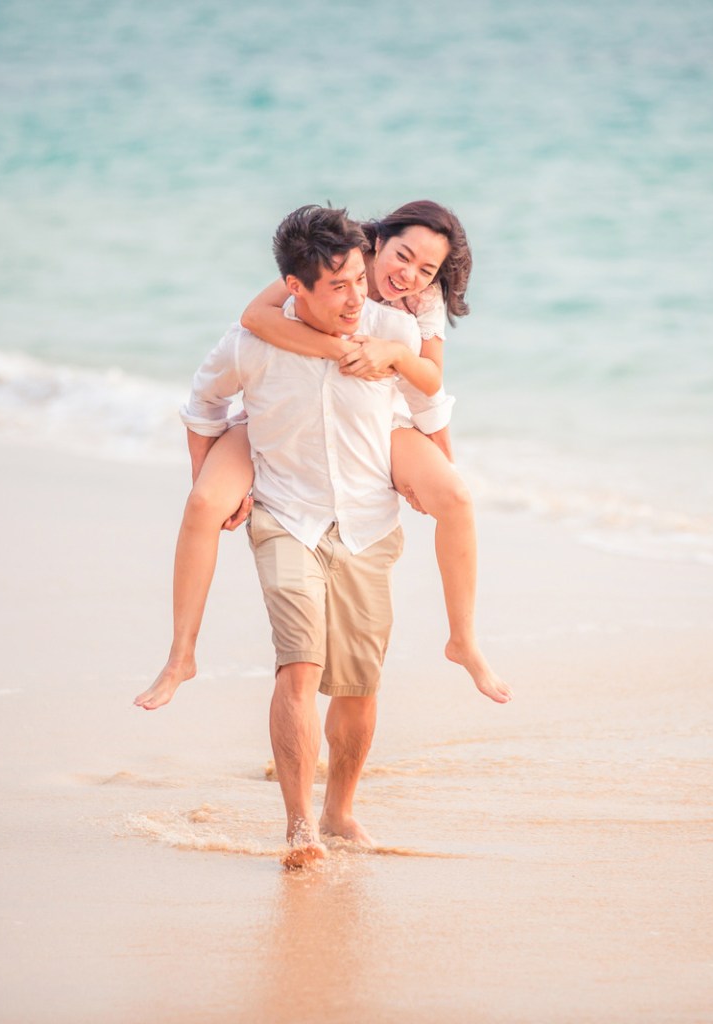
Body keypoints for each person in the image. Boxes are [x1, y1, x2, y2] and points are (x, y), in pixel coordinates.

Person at [134, 201, 509, 712]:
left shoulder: (419, 305)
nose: (410, 275)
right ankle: (181, 657)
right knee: (203, 504)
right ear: (377, 241)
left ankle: (462, 639)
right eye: (403, 256)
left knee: (456, 498)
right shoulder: (332, 262)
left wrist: (398, 364)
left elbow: (430, 387)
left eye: (428, 269)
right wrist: (340, 348)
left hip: (379, 420)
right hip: (281, 413)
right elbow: (253, 319)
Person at [175, 204, 446, 866]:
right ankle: (299, 826)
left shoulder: (393, 333)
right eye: (338, 286)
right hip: (285, 517)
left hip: (367, 522)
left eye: (361, 278)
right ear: (295, 288)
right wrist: (217, 480)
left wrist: (434, 480)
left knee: (358, 686)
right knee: (300, 665)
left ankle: (340, 812)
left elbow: (429, 403)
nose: (358, 297)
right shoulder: (252, 342)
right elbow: (201, 404)